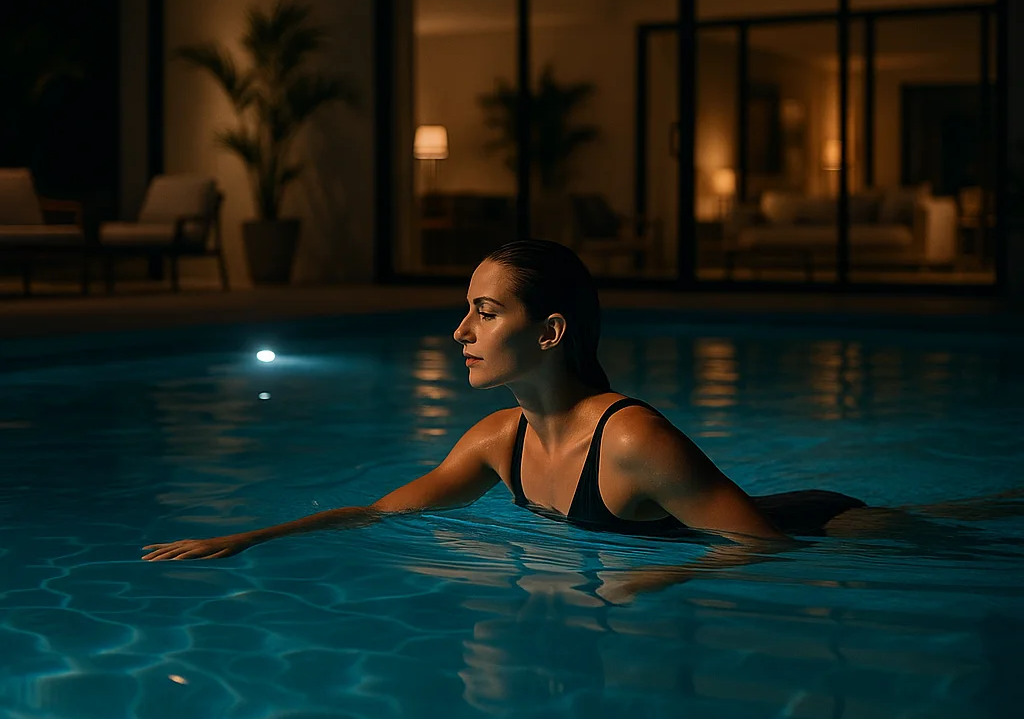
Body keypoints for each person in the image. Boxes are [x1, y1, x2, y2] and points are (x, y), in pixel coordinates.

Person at [142, 239, 1001, 566]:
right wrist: (248, 537)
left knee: (963, 541)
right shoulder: (495, 440)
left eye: (485, 311)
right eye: (467, 310)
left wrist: (657, 586)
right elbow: (379, 510)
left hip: (821, 523)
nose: (460, 331)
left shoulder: (633, 440)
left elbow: (764, 546)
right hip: (757, 515)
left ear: (549, 331)